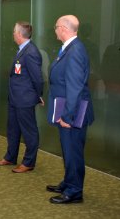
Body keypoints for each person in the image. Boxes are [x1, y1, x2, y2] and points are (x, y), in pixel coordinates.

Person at [46, 14, 94, 204]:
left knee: (73, 150)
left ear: (64, 29)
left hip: (72, 112)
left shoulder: (75, 51)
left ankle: (74, 191)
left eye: (56, 26)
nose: (55, 30)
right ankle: (68, 182)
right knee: (68, 149)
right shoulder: (70, 48)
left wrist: (68, 116)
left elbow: (75, 87)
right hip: (66, 107)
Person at [0, 22, 44, 173]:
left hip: (25, 99)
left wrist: (39, 94)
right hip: (15, 98)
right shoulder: (22, 50)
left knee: (29, 131)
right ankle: (10, 157)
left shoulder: (31, 52)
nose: (13, 34)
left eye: (14, 32)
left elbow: (38, 78)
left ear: (20, 34)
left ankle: (28, 162)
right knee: (13, 130)